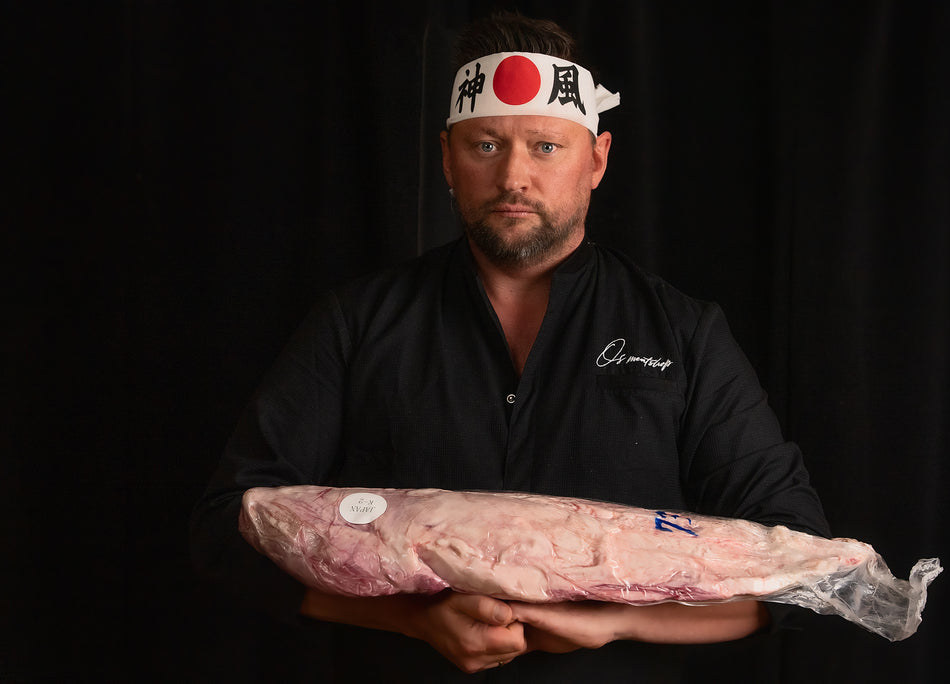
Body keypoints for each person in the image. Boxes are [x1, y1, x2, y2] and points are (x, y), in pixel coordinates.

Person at [190, 11, 830, 681]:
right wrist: (411, 619)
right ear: (446, 157)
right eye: (486, 145)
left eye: (546, 146)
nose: (513, 177)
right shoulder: (358, 322)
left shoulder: (682, 331)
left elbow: (803, 563)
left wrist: (611, 623)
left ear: (598, 160)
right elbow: (224, 525)